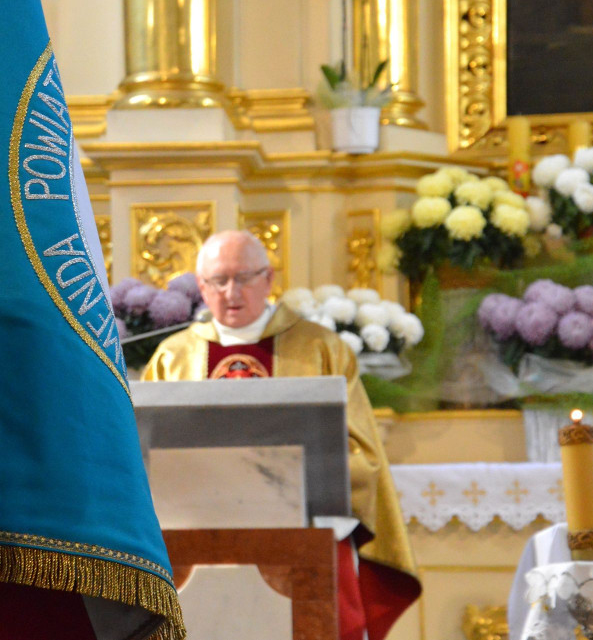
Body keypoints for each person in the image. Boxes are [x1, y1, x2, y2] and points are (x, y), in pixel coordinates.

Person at [142, 229, 420, 640]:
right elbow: (144, 452)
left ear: (269, 279)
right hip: (194, 532)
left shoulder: (320, 348)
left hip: (302, 534)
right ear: (201, 287)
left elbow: (363, 452)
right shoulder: (174, 355)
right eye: (218, 281)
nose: (231, 292)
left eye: (244, 277)